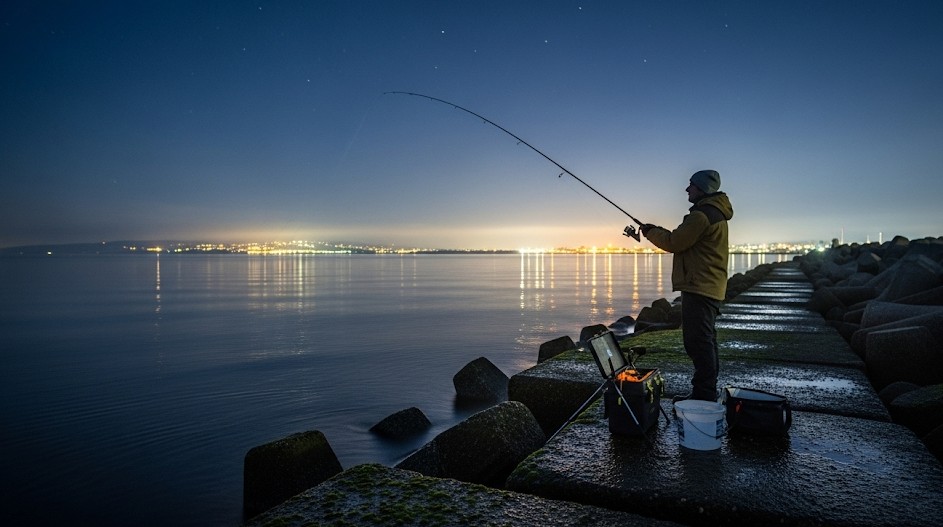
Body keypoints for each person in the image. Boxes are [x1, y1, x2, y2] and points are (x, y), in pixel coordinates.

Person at [638, 169, 733, 402]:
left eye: (690, 185)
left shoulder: (702, 215)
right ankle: (705, 392)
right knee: (705, 340)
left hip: (700, 286)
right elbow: (683, 240)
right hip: (709, 284)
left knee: (698, 343)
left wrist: (651, 232)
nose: (687, 189)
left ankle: (704, 396)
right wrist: (655, 230)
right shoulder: (715, 212)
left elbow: (675, 242)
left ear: (701, 189)